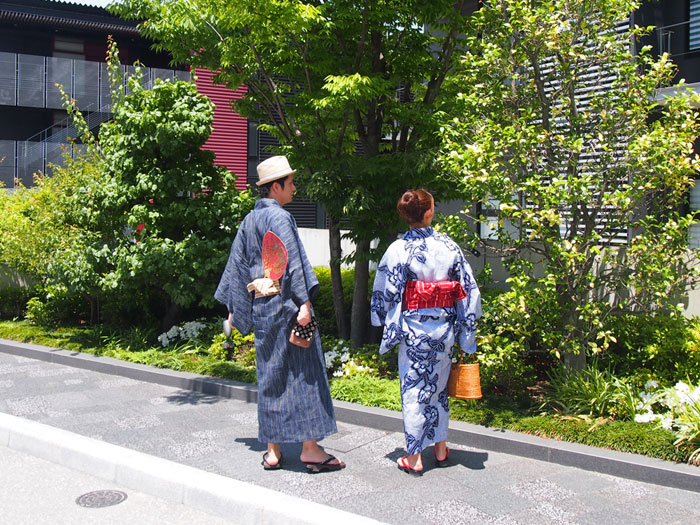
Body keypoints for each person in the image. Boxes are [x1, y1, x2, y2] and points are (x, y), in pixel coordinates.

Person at [215, 155, 345, 473]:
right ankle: (311, 450)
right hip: (286, 307)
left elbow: (237, 267)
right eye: (290, 183)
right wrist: (304, 303)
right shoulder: (281, 218)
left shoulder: (249, 221)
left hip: (263, 309)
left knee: (270, 376)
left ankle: (273, 451)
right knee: (306, 373)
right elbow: (293, 265)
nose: (294, 187)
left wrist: (236, 310)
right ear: (276, 187)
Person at [371, 189, 481, 475]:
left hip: (414, 332)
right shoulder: (448, 246)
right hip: (443, 331)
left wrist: (384, 321)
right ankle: (441, 448)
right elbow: (468, 290)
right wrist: (465, 331)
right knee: (439, 389)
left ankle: (415, 457)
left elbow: (385, 292)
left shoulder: (397, 250)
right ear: (429, 212)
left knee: (414, 389)